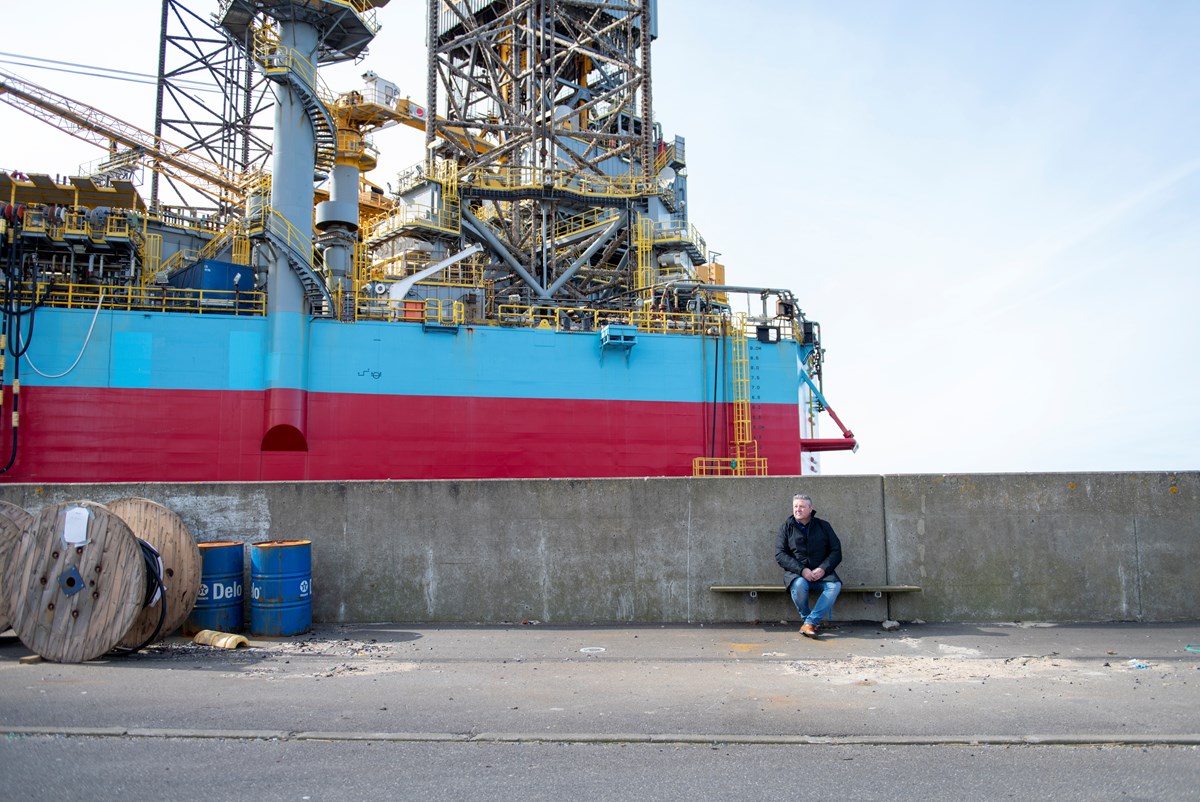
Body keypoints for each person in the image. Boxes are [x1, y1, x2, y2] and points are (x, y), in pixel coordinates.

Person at [775, 493, 843, 638]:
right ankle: (809, 621)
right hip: (797, 574)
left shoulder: (823, 526)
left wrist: (823, 568)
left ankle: (810, 622)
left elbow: (836, 551)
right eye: (795, 506)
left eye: (801, 506)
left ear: (810, 509)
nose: (797, 509)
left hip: (823, 574)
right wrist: (802, 570)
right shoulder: (786, 528)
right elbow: (780, 554)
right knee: (798, 585)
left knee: (834, 586)